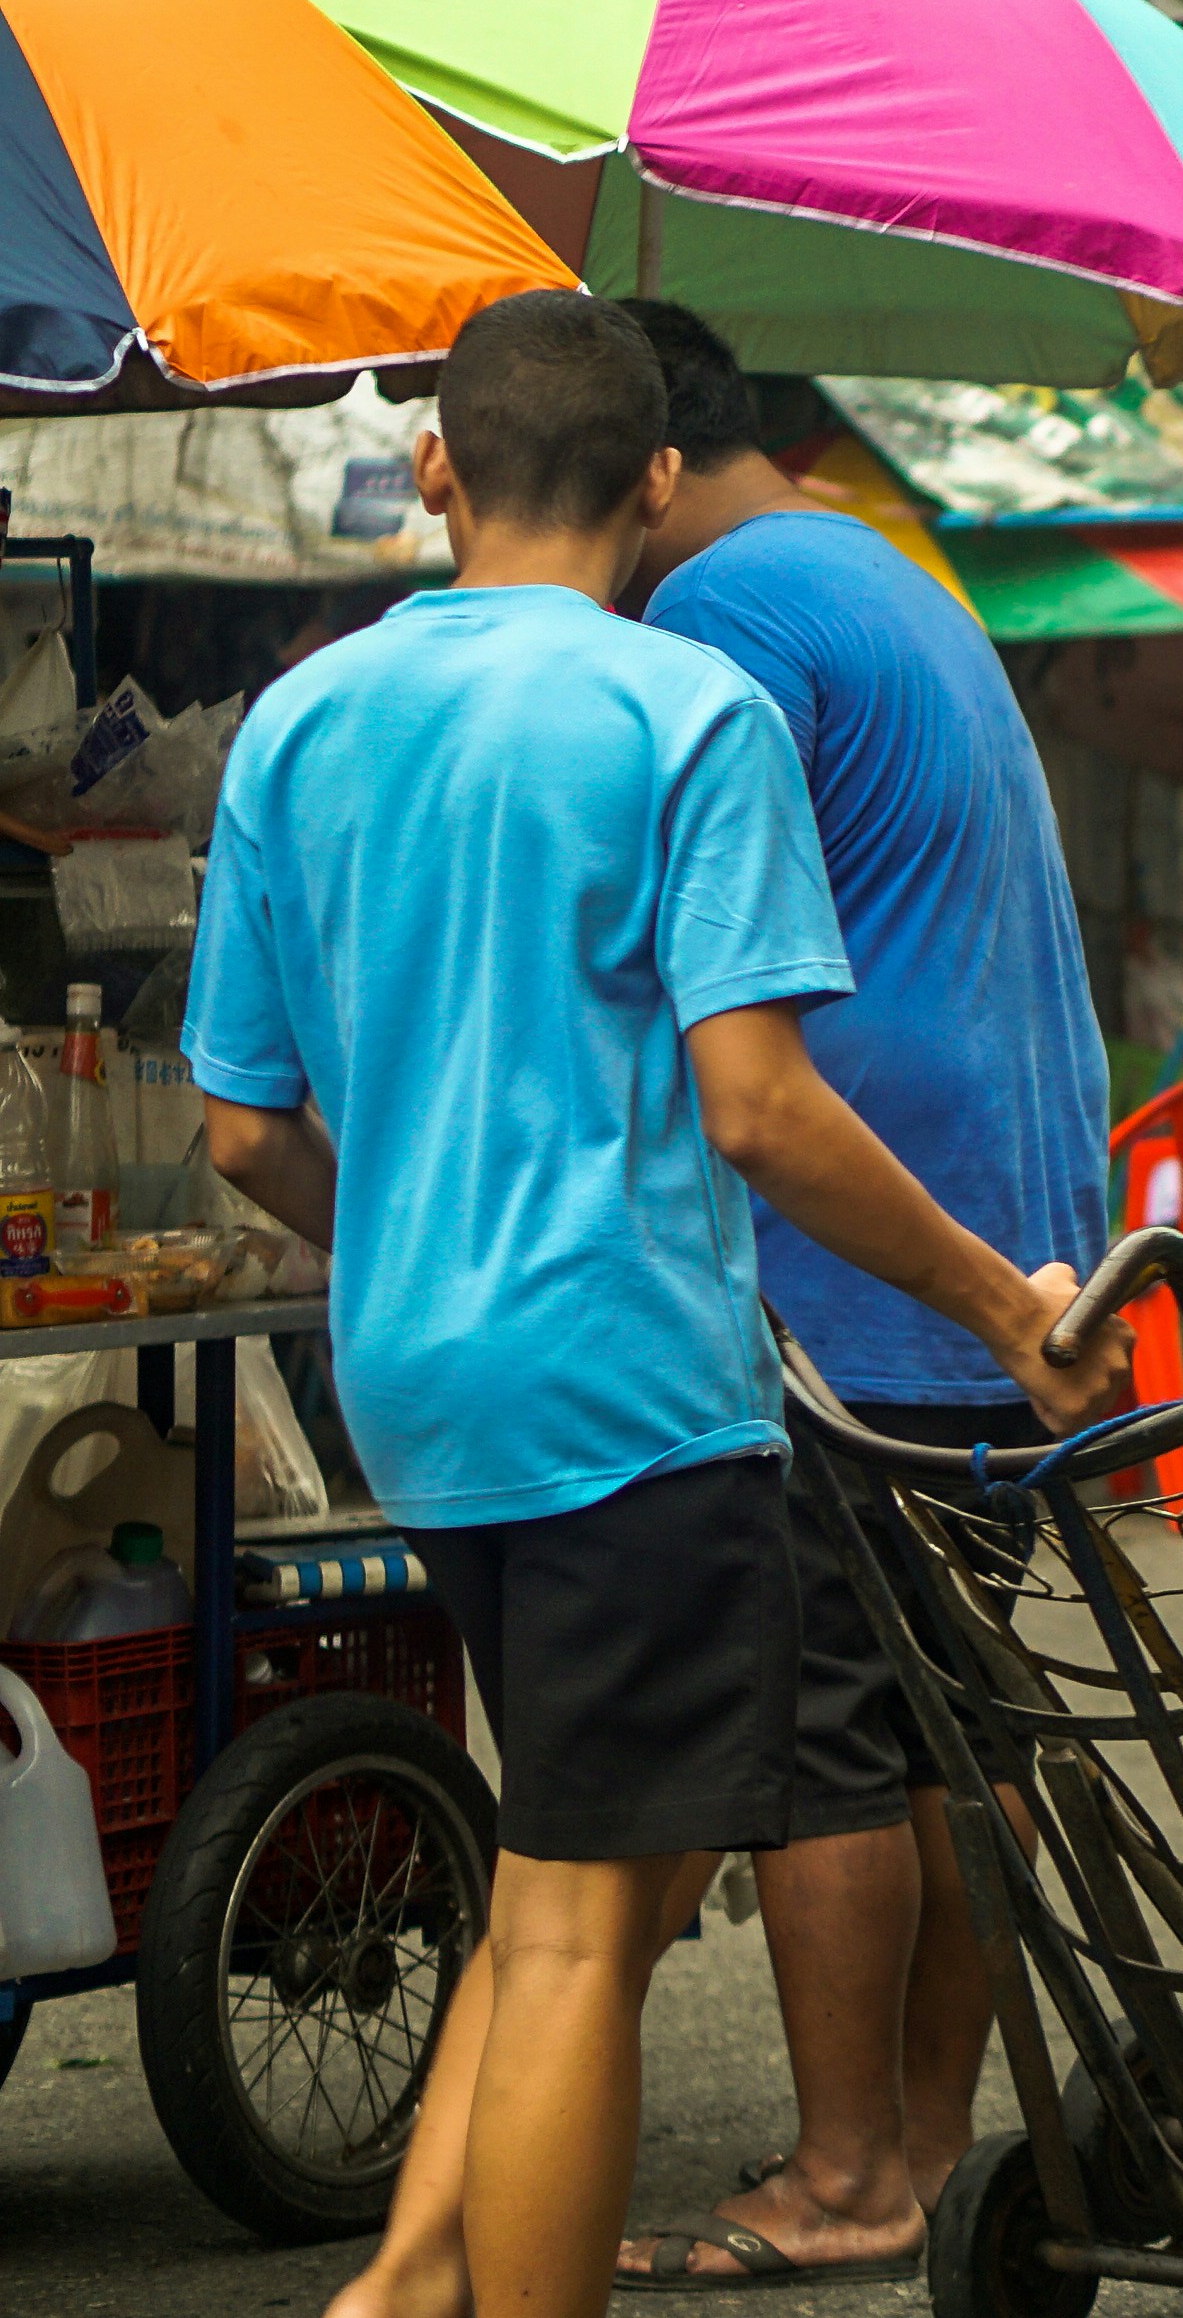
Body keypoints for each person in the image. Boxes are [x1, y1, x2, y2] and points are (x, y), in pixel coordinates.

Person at [196, 293, 1133, 2318]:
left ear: (433, 466)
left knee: (562, 1880)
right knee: (572, 1945)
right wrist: (997, 1306)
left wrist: (414, 1229)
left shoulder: (298, 719)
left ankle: (398, 2295)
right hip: (635, 1387)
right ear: (649, 482)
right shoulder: (677, 709)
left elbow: (240, 1139)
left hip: (417, 1392)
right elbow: (760, 1107)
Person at [532, 303, 1117, 2290]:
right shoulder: (873, 562)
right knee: (958, 1728)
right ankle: (934, 2145)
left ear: (657, 472)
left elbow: (623, 926)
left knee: (830, 1744)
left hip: (871, 1245)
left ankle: (851, 2170)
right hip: (1009, 1229)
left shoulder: (722, 621)